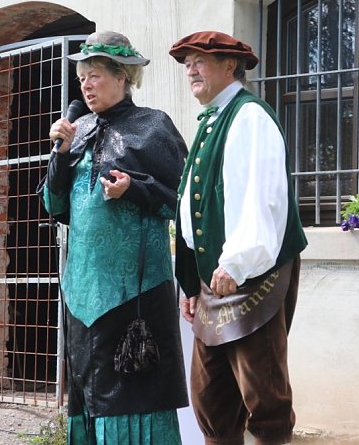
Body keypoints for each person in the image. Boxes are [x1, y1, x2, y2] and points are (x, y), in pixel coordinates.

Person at [41, 31, 189, 444]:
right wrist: (61, 153)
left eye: (95, 75)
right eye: (82, 77)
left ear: (122, 77)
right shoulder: (79, 129)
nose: (85, 84)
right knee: (89, 393)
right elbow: (55, 206)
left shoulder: (153, 127)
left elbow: (183, 202)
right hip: (83, 290)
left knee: (130, 396)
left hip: (133, 291)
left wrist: (134, 188)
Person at [170, 31, 308, 445]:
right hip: (213, 282)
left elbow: (263, 196)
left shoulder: (250, 116)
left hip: (250, 273)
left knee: (263, 392)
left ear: (230, 66)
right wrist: (190, 281)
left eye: (200, 61)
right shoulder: (213, 120)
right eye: (188, 63)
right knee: (212, 398)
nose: (191, 69)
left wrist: (237, 260)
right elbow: (193, 209)